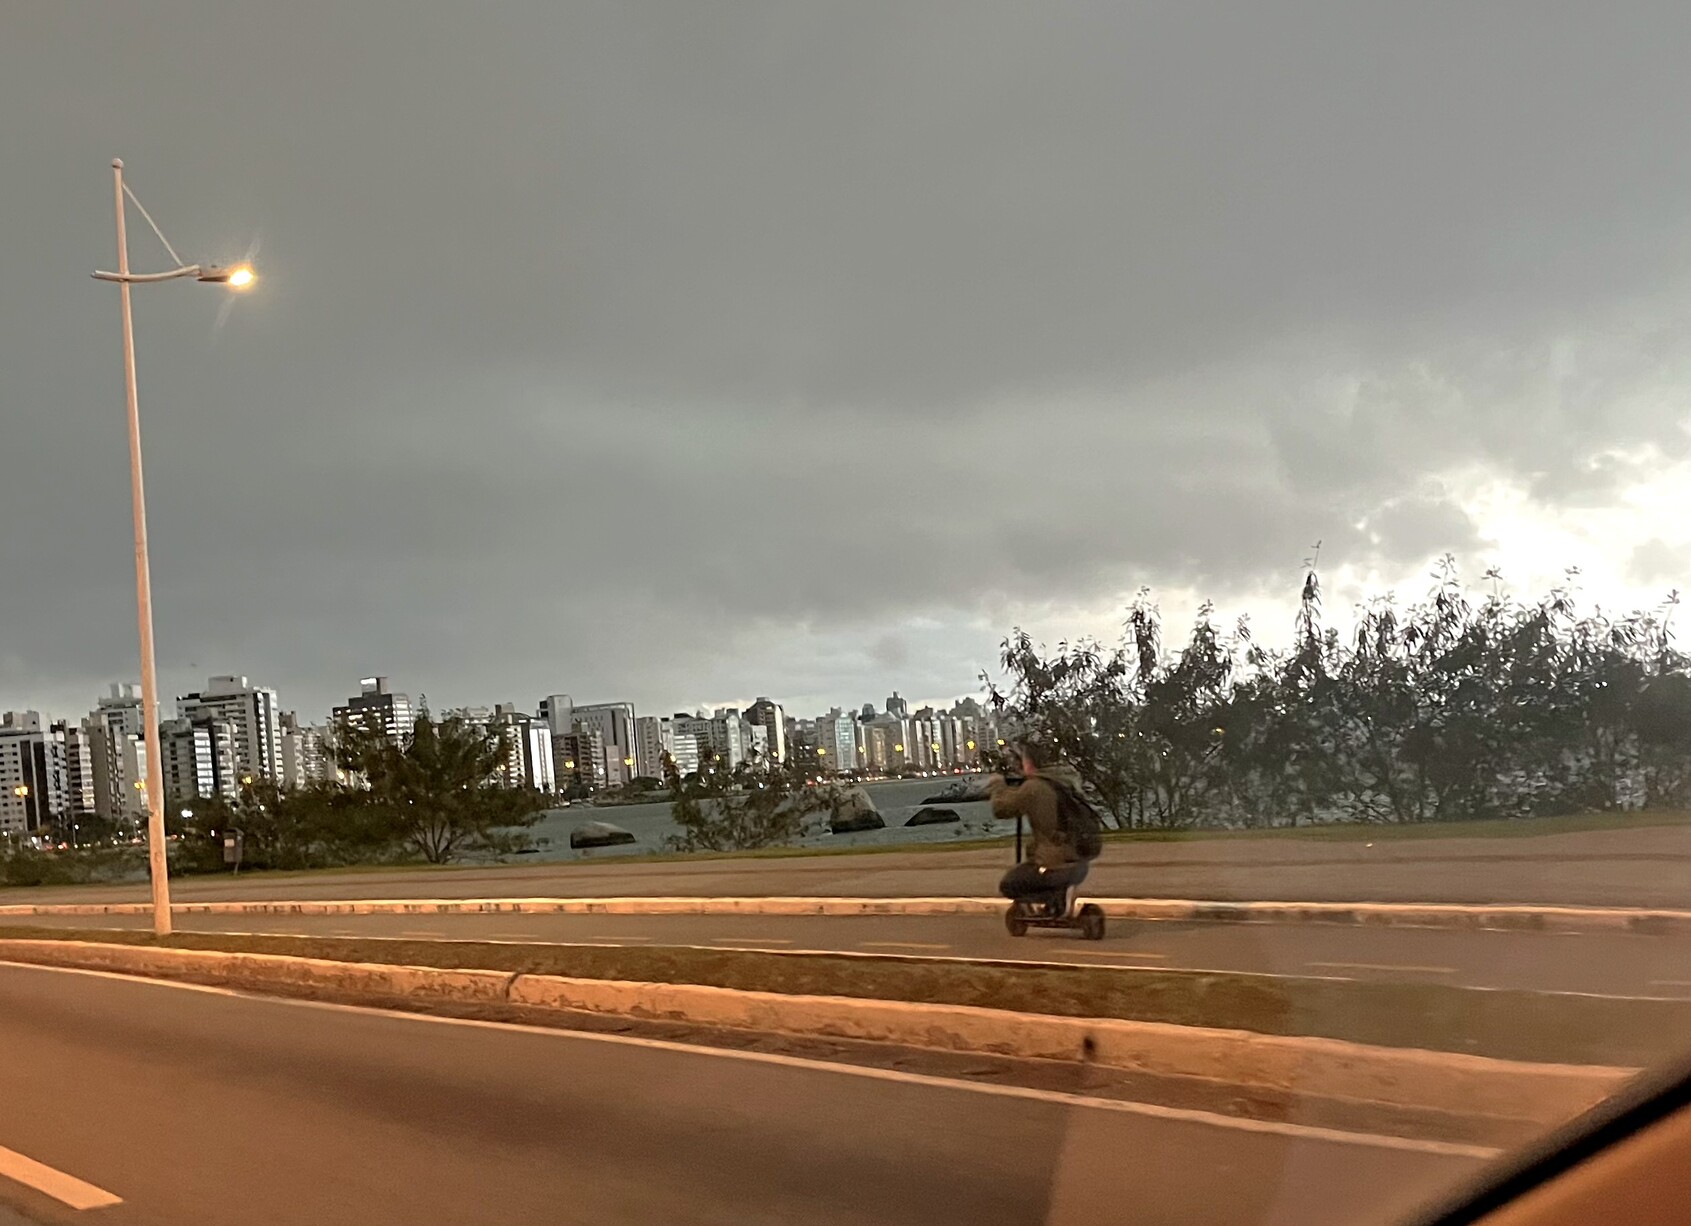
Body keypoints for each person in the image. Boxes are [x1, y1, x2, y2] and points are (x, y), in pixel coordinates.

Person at [987, 739, 1092, 916]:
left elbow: (1002, 809)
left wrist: (997, 786)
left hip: (1054, 866)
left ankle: (1054, 897)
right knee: (1033, 861)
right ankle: (1057, 897)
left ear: (1029, 763)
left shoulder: (1034, 787)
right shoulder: (1065, 781)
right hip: (1080, 863)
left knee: (1010, 883)